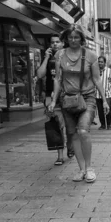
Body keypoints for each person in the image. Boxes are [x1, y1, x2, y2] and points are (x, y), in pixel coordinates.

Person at [49, 24, 108, 183]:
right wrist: (54, 100)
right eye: (70, 37)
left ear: (82, 39)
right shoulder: (60, 55)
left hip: (87, 97)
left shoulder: (91, 56)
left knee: (83, 131)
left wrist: (103, 100)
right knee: (73, 134)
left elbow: (96, 79)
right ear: (66, 38)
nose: (73, 40)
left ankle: (89, 168)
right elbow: (57, 79)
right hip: (67, 99)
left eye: (76, 37)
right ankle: (81, 169)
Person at [36, 34, 70, 165]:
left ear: (62, 43)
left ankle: (71, 146)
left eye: (57, 42)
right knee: (56, 125)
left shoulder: (67, 56)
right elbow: (40, 74)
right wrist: (46, 57)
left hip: (68, 96)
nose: (55, 44)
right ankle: (60, 155)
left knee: (69, 124)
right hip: (52, 97)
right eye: (52, 42)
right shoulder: (49, 58)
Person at [96, 56, 111, 130]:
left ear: (105, 63)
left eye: (101, 62)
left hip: (107, 94)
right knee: (100, 110)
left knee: (107, 109)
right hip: (97, 94)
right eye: (99, 61)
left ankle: (109, 124)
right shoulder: (95, 71)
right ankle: (102, 124)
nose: (100, 63)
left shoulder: (109, 71)